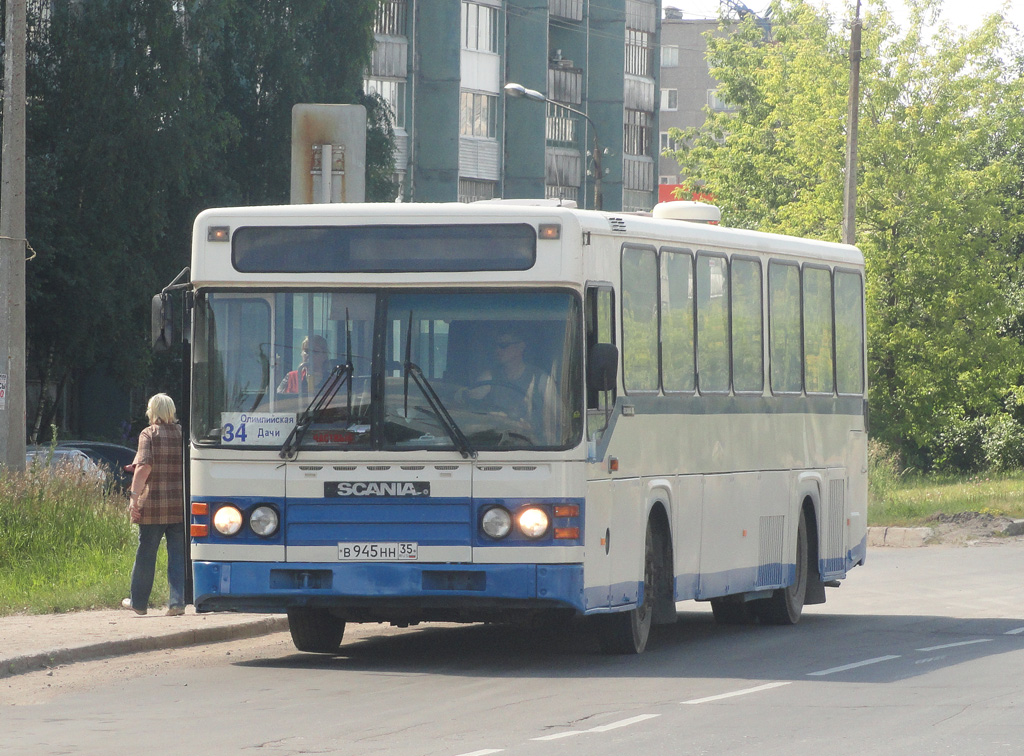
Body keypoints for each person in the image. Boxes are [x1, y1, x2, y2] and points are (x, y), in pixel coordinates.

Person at [122, 393, 185, 617]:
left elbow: (144, 467)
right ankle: (177, 602)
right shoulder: (182, 434)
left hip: (153, 506)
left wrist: (133, 497)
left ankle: (138, 602)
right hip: (179, 505)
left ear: (153, 411)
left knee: (146, 553)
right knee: (177, 554)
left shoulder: (148, 434)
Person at [459, 330, 557, 438]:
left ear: (520, 347)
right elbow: (469, 402)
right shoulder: (489, 377)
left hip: (532, 443)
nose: (497, 350)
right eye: (495, 346)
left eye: (503, 345)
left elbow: (559, 416)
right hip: (496, 439)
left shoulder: (540, 379)